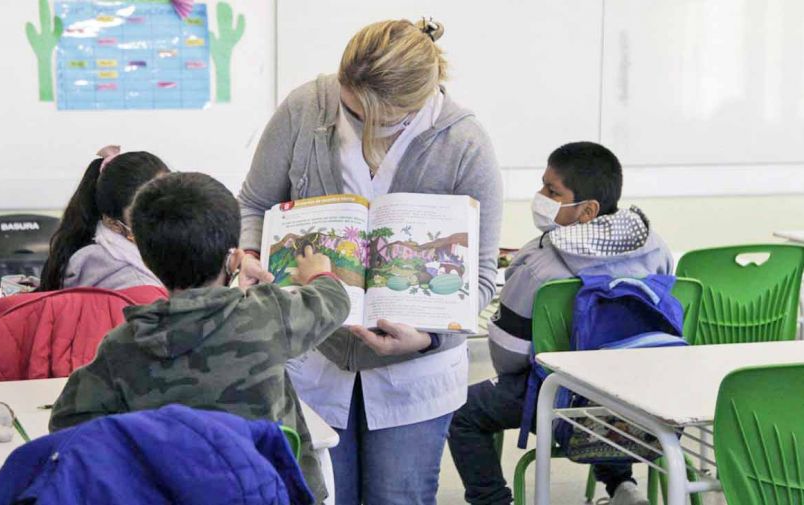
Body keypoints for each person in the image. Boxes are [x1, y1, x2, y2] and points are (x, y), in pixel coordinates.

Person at [237, 18, 503, 504]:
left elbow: (480, 277)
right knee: (320, 495)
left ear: (416, 104)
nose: (360, 130)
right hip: (316, 354)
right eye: (350, 112)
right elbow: (254, 203)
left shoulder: (465, 143)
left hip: (415, 374)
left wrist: (428, 338)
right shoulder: (304, 108)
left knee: (397, 497)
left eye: (376, 122)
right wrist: (251, 255)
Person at [49, 172, 350, 502]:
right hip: (271, 493)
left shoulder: (124, 344)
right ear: (232, 257)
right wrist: (319, 274)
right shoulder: (267, 314)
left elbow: (68, 423)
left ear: (147, 258)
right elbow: (334, 302)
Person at [448, 142, 672, 505]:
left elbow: (509, 353)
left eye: (552, 191)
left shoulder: (540, 263)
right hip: (637, 398)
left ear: (587, 211)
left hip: (559, 398)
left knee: (460, 412)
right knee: (604, 379)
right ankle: (623, 488)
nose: (540, 196)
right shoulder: (655, 246)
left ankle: (492, 501)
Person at [39, 146, 168, 291]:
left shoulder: (93, 253)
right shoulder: (137, 284)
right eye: (148, 212)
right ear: (113, 224)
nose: (166, 216)